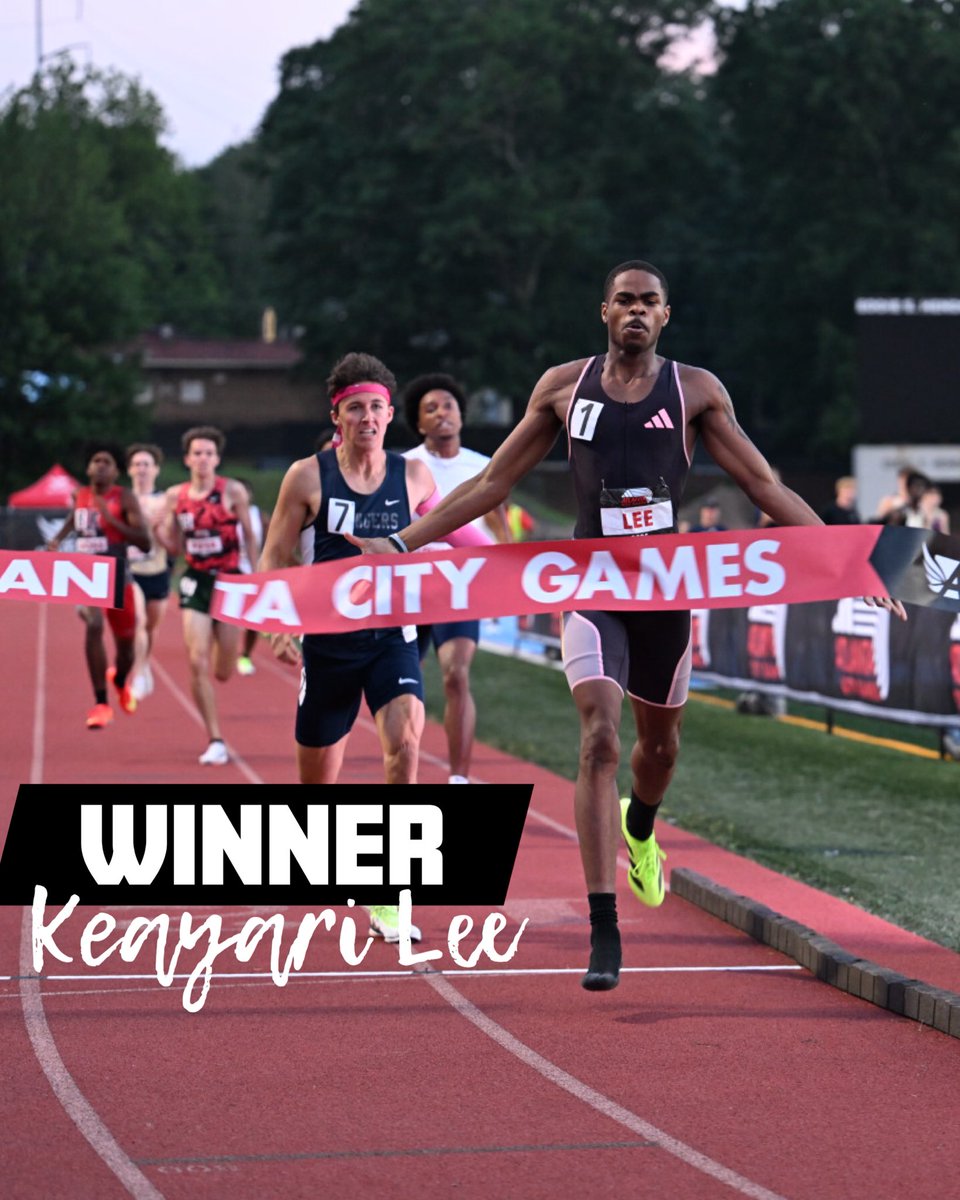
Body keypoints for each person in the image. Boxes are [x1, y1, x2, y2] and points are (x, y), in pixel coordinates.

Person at [347, 260, 907, 991]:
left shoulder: (697, 390)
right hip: (592, 583)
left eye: (650, 303)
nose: (636, 312)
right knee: (599, 736)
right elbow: (492, 485)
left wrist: (852, 559)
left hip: (665, 589)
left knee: (660, 748)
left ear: (665, 316)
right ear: (603, 311)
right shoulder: (561, 387)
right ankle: (603, 925)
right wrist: (403, 543)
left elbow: (763, 485)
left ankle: (640, 826)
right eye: (625, 301)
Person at [260, 352, 476, 943]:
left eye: (378, 406)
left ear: (389, 413)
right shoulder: (307, 476)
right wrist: (279, 623)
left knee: (405, 744)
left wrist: (532, 568)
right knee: (315, 794)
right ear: (338, 415)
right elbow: (275, 556)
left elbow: (458, 533)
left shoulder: (413, 477)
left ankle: (391, 889)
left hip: (393, 637)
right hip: (328, 643)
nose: (369, 417)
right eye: (356, 407)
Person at [401, 372, 510, 784]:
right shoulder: (405, 467)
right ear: (419, 422)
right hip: (412, 588)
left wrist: (511, 581)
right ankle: (403, 764)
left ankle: (458, 778)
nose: (442, 413)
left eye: (448, 405)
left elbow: (500, 530)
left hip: (461, 587)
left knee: (456, 674)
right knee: (404, 685)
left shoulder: (486, 467)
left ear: (461, 415)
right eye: (431, 409)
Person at [157, 426, 258, 765]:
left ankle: (226, 650)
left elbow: (250, 538)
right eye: (197, 453)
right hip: (195, 581)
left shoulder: (232, 491)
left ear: (217, 458)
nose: (202, 458)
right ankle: (215, 738)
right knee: (197, 660)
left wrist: (257, 580)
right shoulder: (175, 496)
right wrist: (159, 532)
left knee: (223, 670)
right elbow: (174, 545)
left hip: (230, 580)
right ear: (187, 458)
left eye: (209, 453)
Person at [46, 443, 151, 728]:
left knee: (126, 647)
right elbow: (74, 520)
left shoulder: (124, 497)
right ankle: (101, 703)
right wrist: (57, 540)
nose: (101, 465)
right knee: (93, 625)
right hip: (87, 575)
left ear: (116, 472)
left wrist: (110, 517)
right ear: (88, 469)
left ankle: (118, 680)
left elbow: (144, 541)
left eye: (107, 462)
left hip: (118, 576)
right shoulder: (79, 495)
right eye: (96, 461)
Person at [125, 443, 171, 698]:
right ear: (130, 470)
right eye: (137, 464)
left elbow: (175, 539)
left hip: (158, 571)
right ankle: (138, 672)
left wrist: (158, 528)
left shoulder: (165, 500)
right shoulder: (121, 499)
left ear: (155, 470)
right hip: (131, 573)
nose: (142, 469)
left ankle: (145, 664)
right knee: (138, 623)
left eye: (146, 464)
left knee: (150, 628)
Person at [235, 479, 269, 676]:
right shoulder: (224, 514)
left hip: (253, 569)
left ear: (250, 495)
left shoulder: (259, 516)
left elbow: (270, 542)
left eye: (244, 492)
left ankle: (246, 654)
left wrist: (264, 567)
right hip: (229, 570)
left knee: (253, 620)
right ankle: (223, 647)